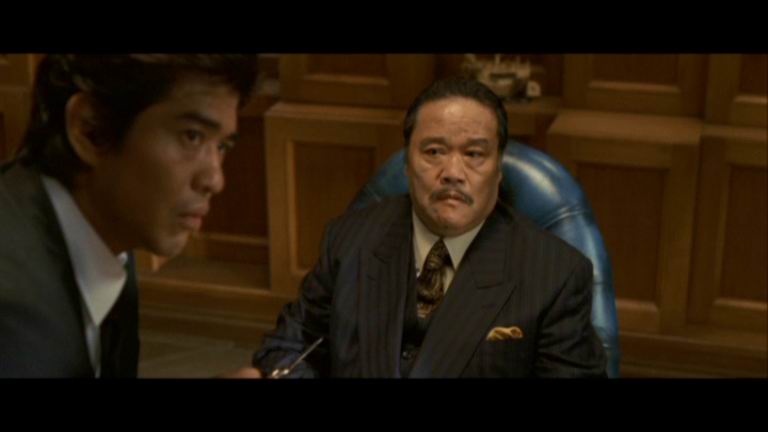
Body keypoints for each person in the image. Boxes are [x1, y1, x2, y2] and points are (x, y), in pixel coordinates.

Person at [239, 77, 606, 378]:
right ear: (406, 163)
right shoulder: (349, 238)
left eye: (474, 154)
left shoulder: (556, 274)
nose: (452, 172)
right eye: (433, 152)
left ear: (498, 170)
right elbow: (290, 346)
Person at [0, 54, 259, 377]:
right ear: (90, 129)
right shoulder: (11, 312)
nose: (215, 180)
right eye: (192, 136)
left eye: (222, 147)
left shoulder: (109, 231)